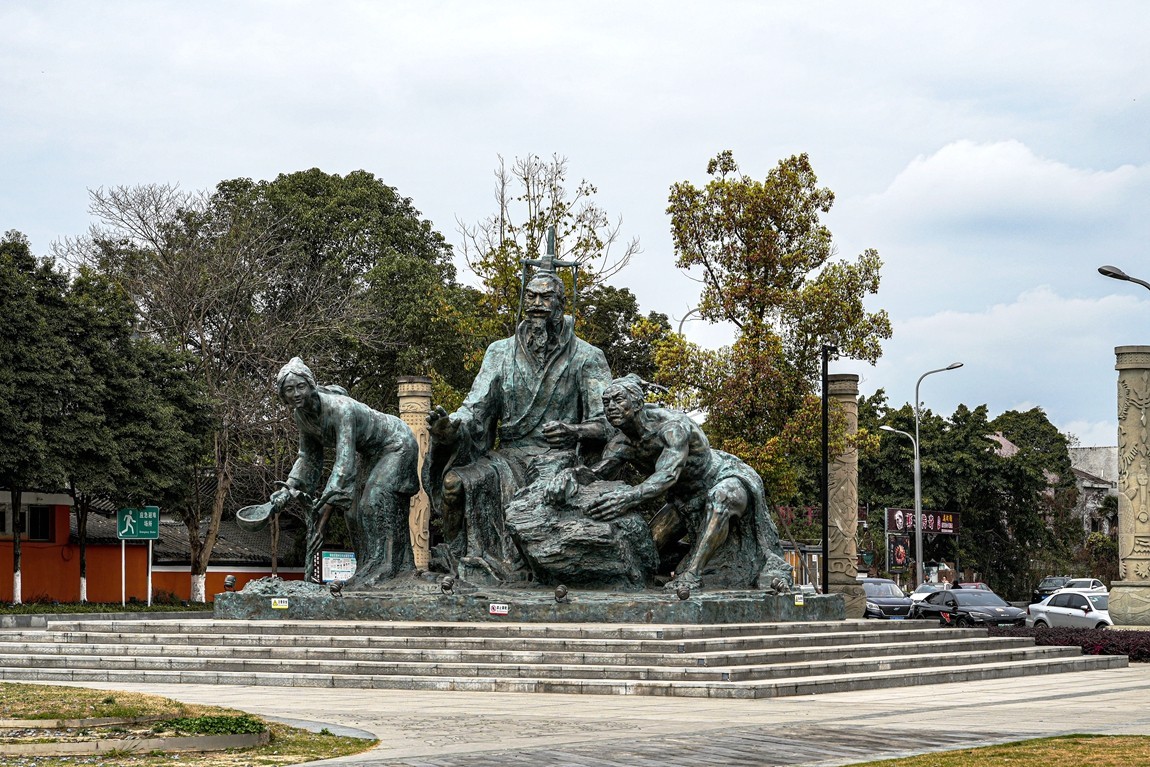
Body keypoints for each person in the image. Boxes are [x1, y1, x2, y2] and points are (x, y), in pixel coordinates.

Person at [424, 271, 612, 583]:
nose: (537, 304)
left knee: (543, 498)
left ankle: (538, 570)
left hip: (559, 460)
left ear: (561, 304)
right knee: (454, 484)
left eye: (546, 297)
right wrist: (452, 427)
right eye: (531, 296)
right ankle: (458, 562)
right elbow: (475, 408)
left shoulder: (587, 356)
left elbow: (606, 424)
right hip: (508, 458)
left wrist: (574, 431)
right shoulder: (499, 352)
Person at [581, 374, 792, 591]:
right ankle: (701, 560)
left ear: (637, 404)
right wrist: (570, 475)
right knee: (646, 550)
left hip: (722, 478)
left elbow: (668, 475)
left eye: (618, 400)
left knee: (719, 497)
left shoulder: (672, 427)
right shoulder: (620, 443)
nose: (611, 407)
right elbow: (597, 474)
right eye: (606, 402)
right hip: (684, 499)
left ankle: (692, 574)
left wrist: (628, 497)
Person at [271, 357, 419, 588]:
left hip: (397, 443)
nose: (296, 394)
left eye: (300, 386)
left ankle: (389, 569)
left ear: (311, 385)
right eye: (289, 390)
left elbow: (344, 463)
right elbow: (308, 457)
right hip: (369, 453)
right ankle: (366, 568)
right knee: (351, 512)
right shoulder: (301, 416)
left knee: (373, 502)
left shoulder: (340, 408)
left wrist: (323, 512)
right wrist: (288, 489)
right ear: (283, 394)